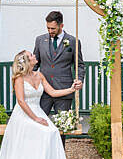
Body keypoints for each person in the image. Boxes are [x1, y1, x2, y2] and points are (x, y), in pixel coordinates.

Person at [33, 10, 86, 147]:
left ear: (61, 26)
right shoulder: (40, 40)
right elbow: (34, 64)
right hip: (43, 91)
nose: (50, 31)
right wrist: (27, 82)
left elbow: (79, 65)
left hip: (64, 91)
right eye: (48, 28)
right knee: (39, 123)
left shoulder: (73, 41)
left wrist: (79, 79)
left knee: (62, 127)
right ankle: (40, 153)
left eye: (53, 28)